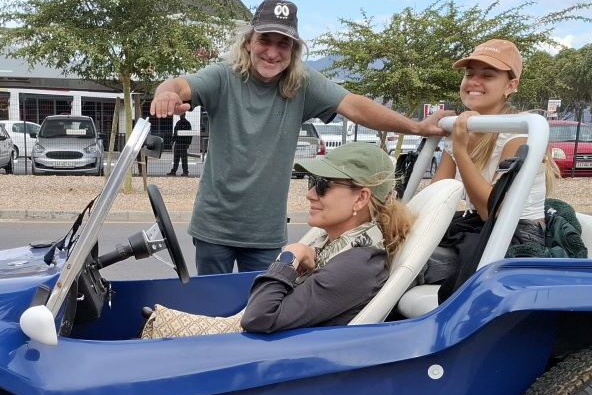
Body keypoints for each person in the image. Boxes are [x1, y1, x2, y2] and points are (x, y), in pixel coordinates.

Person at [150, 0, 449, 275]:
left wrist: (417, 127)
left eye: (284, 44)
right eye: (265, 40)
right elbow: (179, 85)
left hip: (265, 233)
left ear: (293, 50)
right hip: (213, 227)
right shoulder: (223, 76)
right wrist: (165, 94)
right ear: (249, 42)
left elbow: (355, 106)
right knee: (213, 310)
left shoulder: (302, 83)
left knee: (260, 311)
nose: (272, 51)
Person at [140, 143, 413, 338]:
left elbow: (259, 317)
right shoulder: (335, 247)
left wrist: (290, 256)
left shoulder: (357, 265)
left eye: (323, 185)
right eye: (311, 182)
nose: (310, 194)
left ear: (361, 198)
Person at [420, 39, 552, 285]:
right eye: (470, 74)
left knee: (412, 267)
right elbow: (437, 196)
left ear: (510, 85)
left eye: (488, 76)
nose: (474, 82)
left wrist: (461, 150)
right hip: (478, 230)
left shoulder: (519, 135)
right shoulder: (461, 129)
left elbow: (491, 211)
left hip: (513, 236)